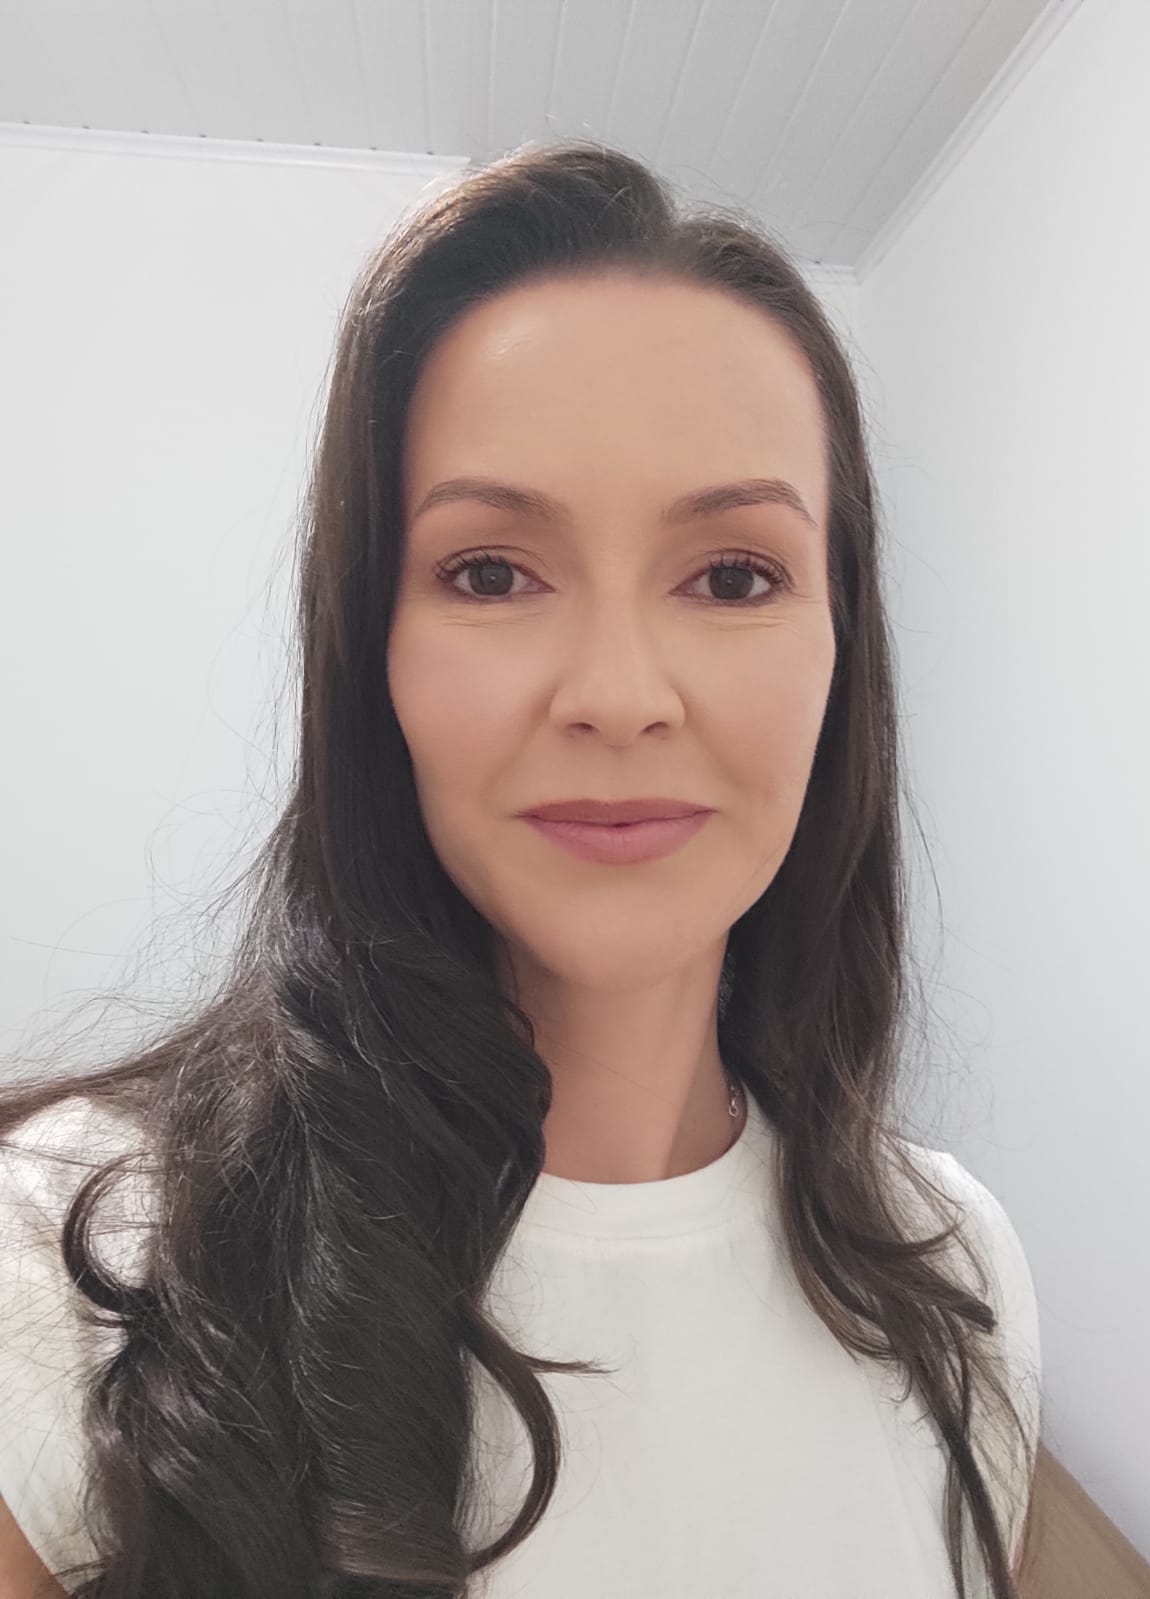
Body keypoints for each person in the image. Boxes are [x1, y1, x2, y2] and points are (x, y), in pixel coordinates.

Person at [0, 138, 1041, 1599]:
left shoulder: (956, 1270)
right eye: (491, 573)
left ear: (840, 650)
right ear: (373, 653)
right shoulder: (68, 1263)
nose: (618, 695)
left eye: (733, 575)